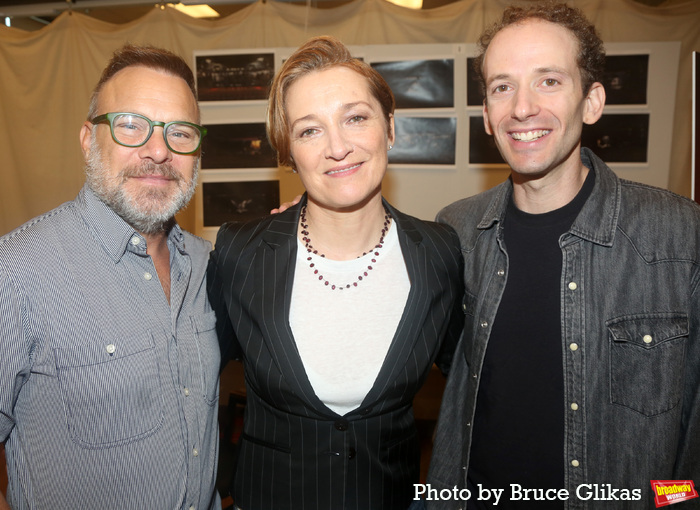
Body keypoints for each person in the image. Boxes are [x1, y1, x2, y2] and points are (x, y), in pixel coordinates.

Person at [425, 3, 700, 509]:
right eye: (502, 86)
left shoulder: (680, 235)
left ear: (592, 102)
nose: (522, 108)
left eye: (549, 81)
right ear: (486, 113)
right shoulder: (456, 229)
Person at [207, 35, 464, 510]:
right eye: (309, 130)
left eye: (355, 118)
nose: (338, 148)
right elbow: (193, 383)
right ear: (288, 151)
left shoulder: (440, 253)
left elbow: (472, 384)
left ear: (389, 127)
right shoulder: (240, 252)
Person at [0, 44, 221, 510]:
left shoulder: (207, 266)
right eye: (131, 125)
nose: (158, 151)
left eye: (179, 132)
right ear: (87, 139)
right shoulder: (16, 271)